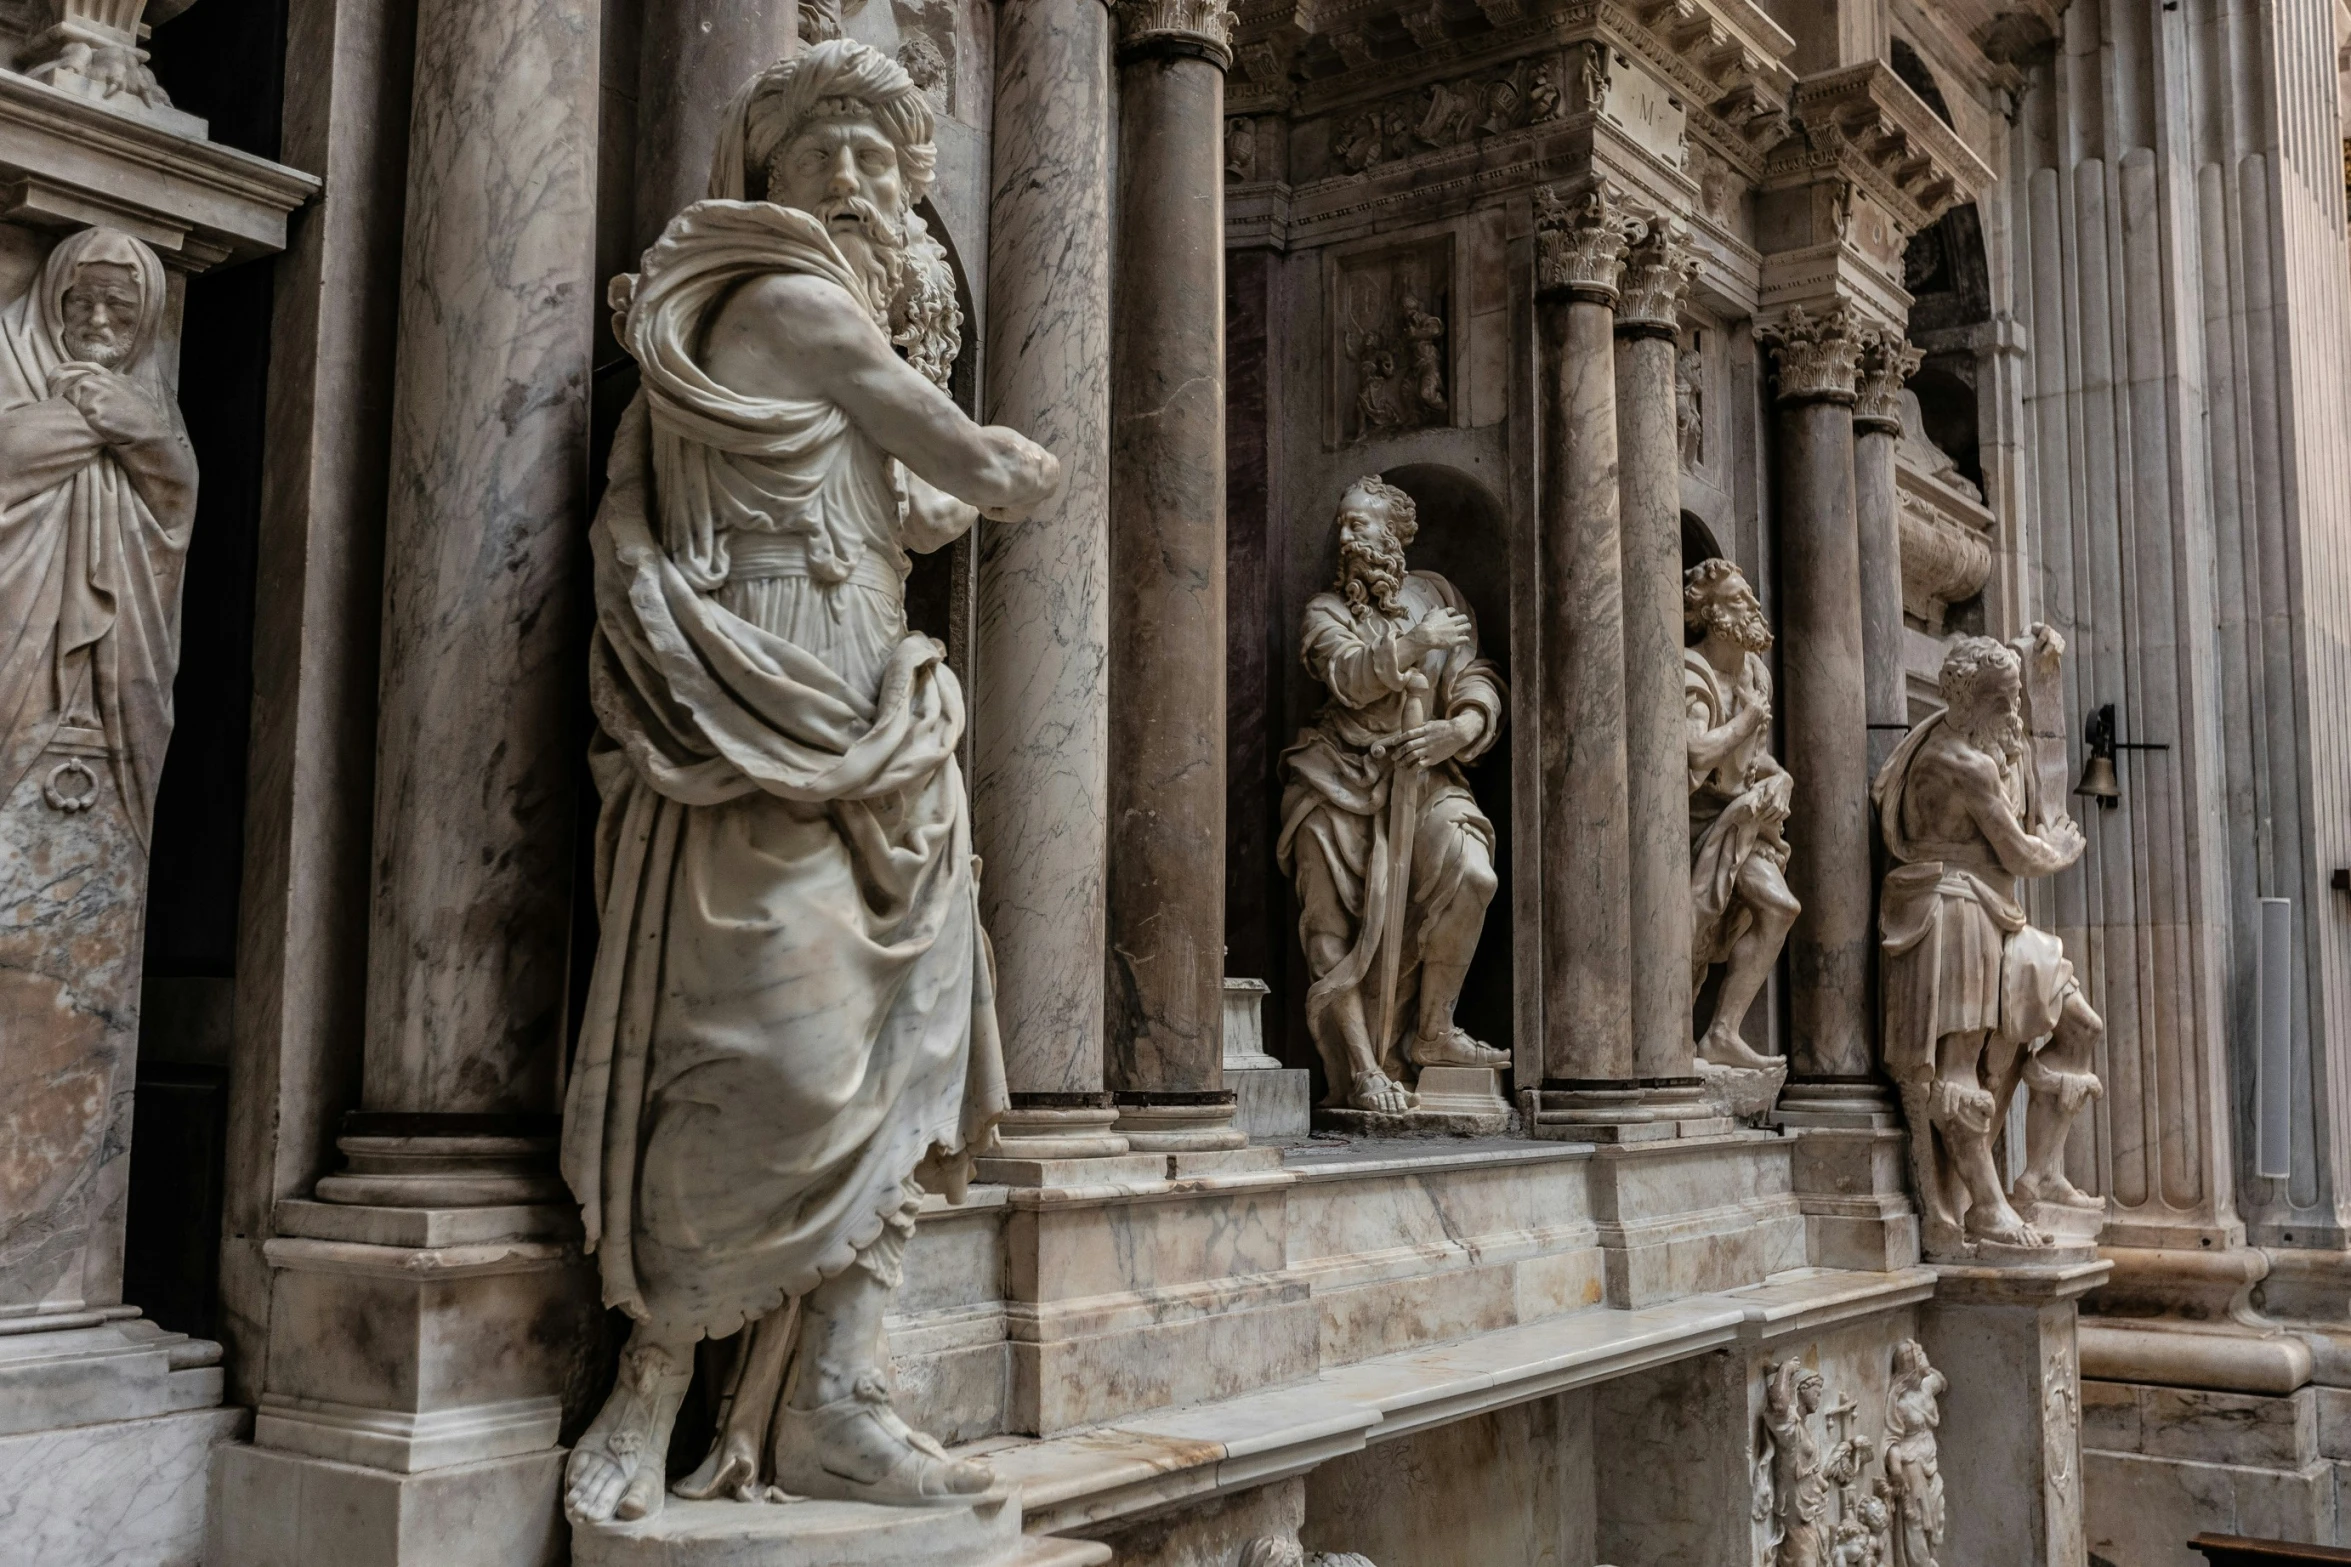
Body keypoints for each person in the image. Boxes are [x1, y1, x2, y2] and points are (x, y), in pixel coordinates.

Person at [559, 40, 1061, 1523]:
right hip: (751, 701)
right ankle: (652, 1375)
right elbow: (961, 462)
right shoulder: (781, 302)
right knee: (748, 1054)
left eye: (879, 162)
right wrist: (1007, 462)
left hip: (879, 712)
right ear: (762, 178)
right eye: (819, 154)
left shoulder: (822, 342)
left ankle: (841, 1394)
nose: (850, 182)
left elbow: (892, 503)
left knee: (911, 1043)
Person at [1277, 477, 1507, 1114]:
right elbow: (1349, 676)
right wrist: (1415, 642)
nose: (1348, 538)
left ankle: (1433, 1028)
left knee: (1473, 873)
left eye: (1362, 525)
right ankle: (1361, 1065)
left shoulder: (1437, 596)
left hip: (1426, 771)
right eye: (1344, 526)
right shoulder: (1325, 611)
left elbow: (1476, 674)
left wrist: (1461, 726)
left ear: (1396, 533)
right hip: (1334, 776)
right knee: (1330, 922)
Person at [1873, 632, 2105, 1254]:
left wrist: (2043, 677)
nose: (2014, 718)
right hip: (1955, 915)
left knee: (2080, 1024)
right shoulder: (1960, 762)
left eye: (2015, 702)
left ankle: (2039, 1175)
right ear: (1968, 702)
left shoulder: (1977, 743)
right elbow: (2018, 851)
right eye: (2004, 704)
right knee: (1958, 1067)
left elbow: (2038, 759)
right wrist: (2061, 850)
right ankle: (1983, 1205)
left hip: (1991, 911)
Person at [0, 226, 194, 846]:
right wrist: (109, 419)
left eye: (121, 308)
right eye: (82, 301)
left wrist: (142, 429)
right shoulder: (10, 356)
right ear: (54, 297)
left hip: (125, 637)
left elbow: (176, 499)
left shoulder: (153, 398)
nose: (99, 320)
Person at [1683, 559, 1798, 1070]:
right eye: (1737, 600)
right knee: (1688, 931)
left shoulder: (1756, 673)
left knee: (1780, 908)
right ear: (1709, 614)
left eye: (1752, 597)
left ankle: (1722, 1033)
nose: (1752, 607)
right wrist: (1748, 718)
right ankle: (1672, 1033)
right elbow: (1694, 753)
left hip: (1738, 818)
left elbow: (1754, 762)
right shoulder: (1693, 671)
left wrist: (1781, 780)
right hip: (1685, 823)